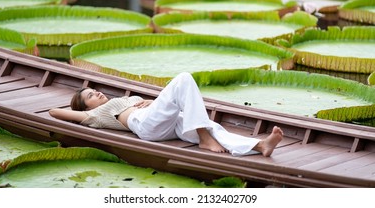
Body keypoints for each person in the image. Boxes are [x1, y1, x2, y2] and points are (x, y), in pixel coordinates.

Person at [49, 72, 283, 157]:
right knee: (183, 78)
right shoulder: (96, 114)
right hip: (145, 127)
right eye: (90, 95)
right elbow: (54, 111)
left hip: (162, 122)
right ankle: (204, 139)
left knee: (212, 126)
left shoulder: (125, 99)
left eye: (94, 90)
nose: (97, 93)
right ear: (87, 108)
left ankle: (259, 145)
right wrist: (80, 111)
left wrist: (150, 102)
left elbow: (157, 104)